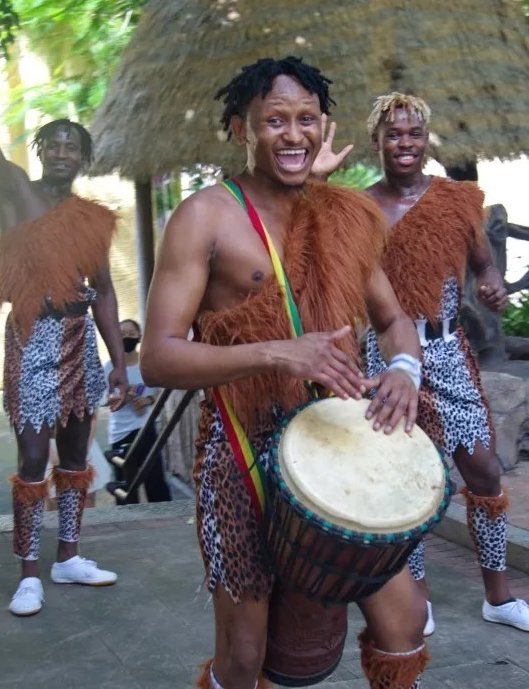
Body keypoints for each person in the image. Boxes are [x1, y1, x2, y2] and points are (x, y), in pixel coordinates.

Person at [140, 56, 430, 689]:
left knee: (405, 618)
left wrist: (404, 369)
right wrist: (277, 352)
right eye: (275, 121)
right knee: (246, 658)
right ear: (243, 130)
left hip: (337, 446)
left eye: (306, 119)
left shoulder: (345, 216)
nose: (292, 135)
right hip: (240, 457)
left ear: (323, 128)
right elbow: (157, 356)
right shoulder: (205, 216)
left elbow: (394, 320)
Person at [0, 12, 125, 618]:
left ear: (82, 157)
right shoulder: (14, 192)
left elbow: (102, 291)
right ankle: (30, 571)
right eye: (50, 142)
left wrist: (121, 363)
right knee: (32, 459)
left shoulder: (92, 219)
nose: (59, 150)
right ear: (39, 152)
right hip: (33, 337)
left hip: (81, 340)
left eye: (70, 144)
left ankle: (69, 556)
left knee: (77, 456)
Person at [362, 93, 529, 636]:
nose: (405, 143)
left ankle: (499, 596)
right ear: (378, 141)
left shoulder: (456, 200)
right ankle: (416, 601)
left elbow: (482, 262)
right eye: (394, 134)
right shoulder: (360, 209)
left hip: (448, 351)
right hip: (389, 355)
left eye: (414, 134)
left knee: (484, 469)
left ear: (427, 140)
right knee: (411, 477)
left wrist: (490, 282)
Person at [104, 318, 171, 504]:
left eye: (131, 334)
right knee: (125, 487)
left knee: (155, 481)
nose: (127, 338)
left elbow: (164, 390)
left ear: (139, 337)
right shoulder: (110, 367)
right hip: (120, 432)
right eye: (122, 335)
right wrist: (125, 397)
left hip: (145, 428)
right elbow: (106, 401)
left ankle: (163, 521)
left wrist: (148, 400)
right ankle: (128, 524)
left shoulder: (147, 363)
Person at [44, 413, 108, 511]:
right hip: (52, 444)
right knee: (54, 502)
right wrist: (50, 448)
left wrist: (84, 449)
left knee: (87, 500)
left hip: (83, 444)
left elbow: (93, 416)